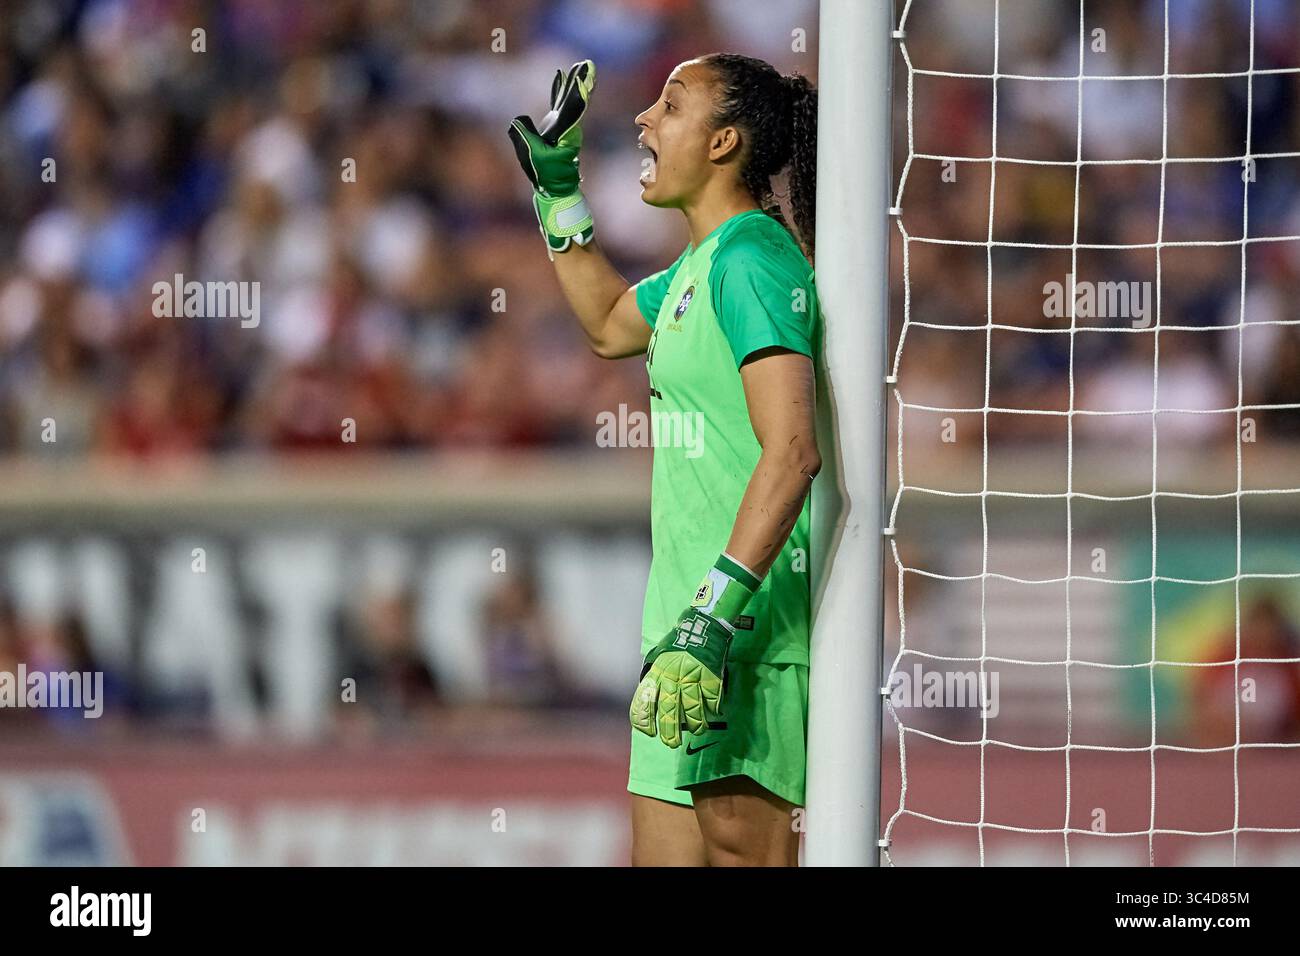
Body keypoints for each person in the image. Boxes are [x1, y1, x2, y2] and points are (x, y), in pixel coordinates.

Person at [509, 54, 820, 866]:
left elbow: (792, 453)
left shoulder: (755, 263)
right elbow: (610, 322)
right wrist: (558, 194)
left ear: (723, 143)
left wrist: (714, 616)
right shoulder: (698, 268)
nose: (645, 119)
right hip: (681, 639)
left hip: (740, 629)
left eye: (670, 106)